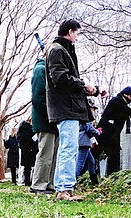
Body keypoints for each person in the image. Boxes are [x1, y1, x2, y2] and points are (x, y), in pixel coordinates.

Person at [46, 19, 99, 201]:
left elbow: (66, 78)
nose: (77, 37)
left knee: (68, 148)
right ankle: (64, 189)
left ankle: (64, 187)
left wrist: (92, 89)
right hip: (65, 107)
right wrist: (83, 84)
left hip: (68, 107)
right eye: (77, 33)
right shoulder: (57, 50)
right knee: (69, 148)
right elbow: (60, 78)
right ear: (70, 32)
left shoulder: (61, 50)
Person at [95, 86, 131, 175]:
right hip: (106, 135)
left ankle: (110, 178)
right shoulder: (117, 101)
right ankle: (111, 177)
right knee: (111, 157)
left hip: (109, 136)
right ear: (126, 94)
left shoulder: (120, 102)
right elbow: (130, 112)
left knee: (108, 156)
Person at [30, 57, 57, 195]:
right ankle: (38, 184)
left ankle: (49, 184)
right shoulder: (41, 70)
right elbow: (37, 97)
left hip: (54, 119)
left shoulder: (50, 70)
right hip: (45, 120)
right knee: (45, 154)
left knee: (53, 155)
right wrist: (50, 114)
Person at [77, 100, 101, 185]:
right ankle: (73, 181)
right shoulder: (87, 116)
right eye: (92, 108)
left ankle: (94, 182)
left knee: (91, 161)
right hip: (84, 142)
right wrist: (97, 132)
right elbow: (89, 129)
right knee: (80, 163)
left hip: (81, 141)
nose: (93, 110)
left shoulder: (80, 115)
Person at [17, 117, 38, 186]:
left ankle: (30, 181)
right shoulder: (25, 127)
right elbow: (25, 138)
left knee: (31, 166)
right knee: (27, 167)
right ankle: (27, 181)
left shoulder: (27, 127)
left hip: (31, 148)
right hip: (27, 148)